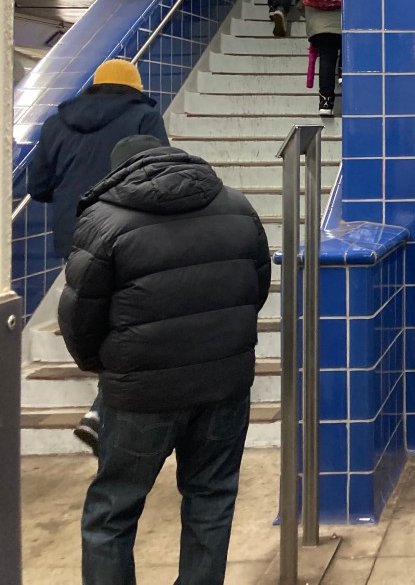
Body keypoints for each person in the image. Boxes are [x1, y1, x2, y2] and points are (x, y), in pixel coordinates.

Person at [59, 135, 271, 585]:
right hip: (223, 385)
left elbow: (79, 316)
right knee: (211, 499)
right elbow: (255, 289)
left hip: (141, 393)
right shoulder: (237, 208)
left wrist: (102, 367)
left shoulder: (104, 221)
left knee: (113, 511)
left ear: (119, 172)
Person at [27, 58, 169, 452]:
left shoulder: (56, 123)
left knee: (99, 317)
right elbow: (159, 172)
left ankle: (104, 403)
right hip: (128, 229)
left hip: (75, 236)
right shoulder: (143, 116)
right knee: (130, 319)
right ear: (135, 88)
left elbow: (37, 186)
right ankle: (102, 409)